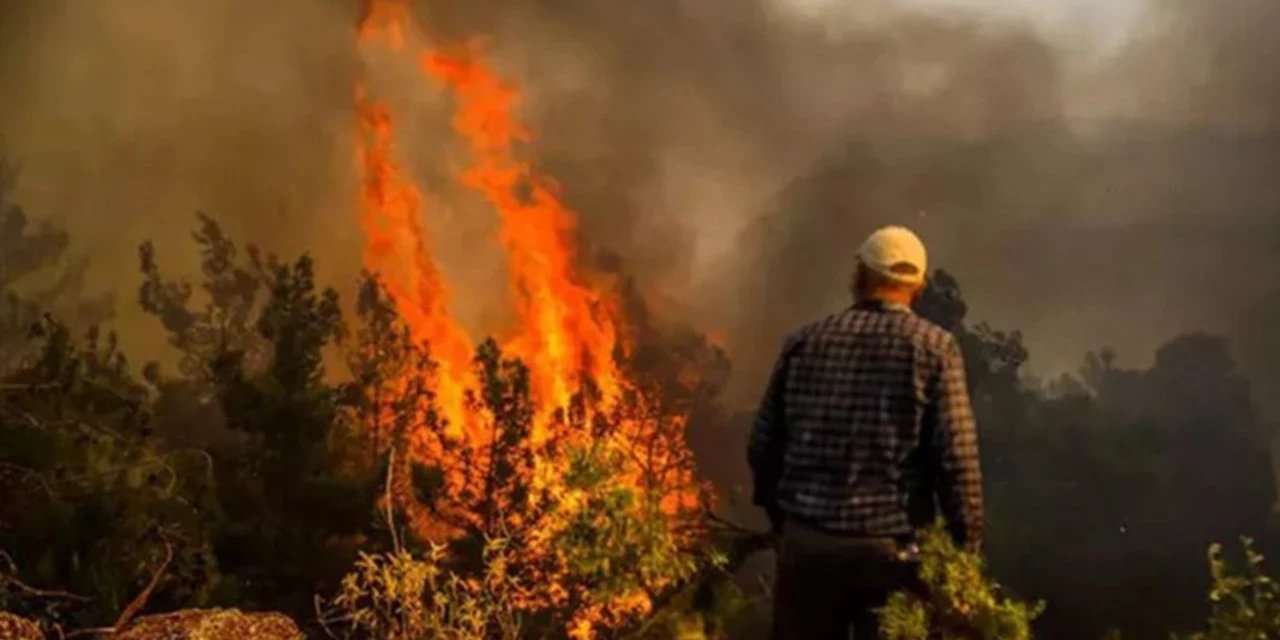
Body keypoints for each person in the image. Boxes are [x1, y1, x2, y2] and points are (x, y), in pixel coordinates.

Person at [748, 225, 984, 639]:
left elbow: (762, 444)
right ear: (919, 287)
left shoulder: (805, 342)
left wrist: (781, 521)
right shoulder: (935, 349)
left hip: (809, 549)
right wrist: (963, 554)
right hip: (893, 553)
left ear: (859, 275)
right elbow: (958, 462)